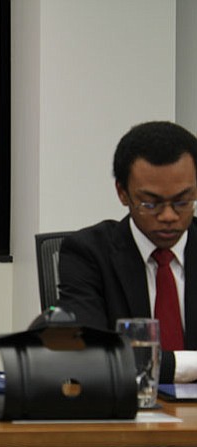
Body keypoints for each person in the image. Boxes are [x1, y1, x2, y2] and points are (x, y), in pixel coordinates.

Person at [59, 121, 197, 383]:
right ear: (122, 193)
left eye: (182, 201)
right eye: (150, 203)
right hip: (128, 417)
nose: (168, 216)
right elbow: (91, 352)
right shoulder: (87, 253)